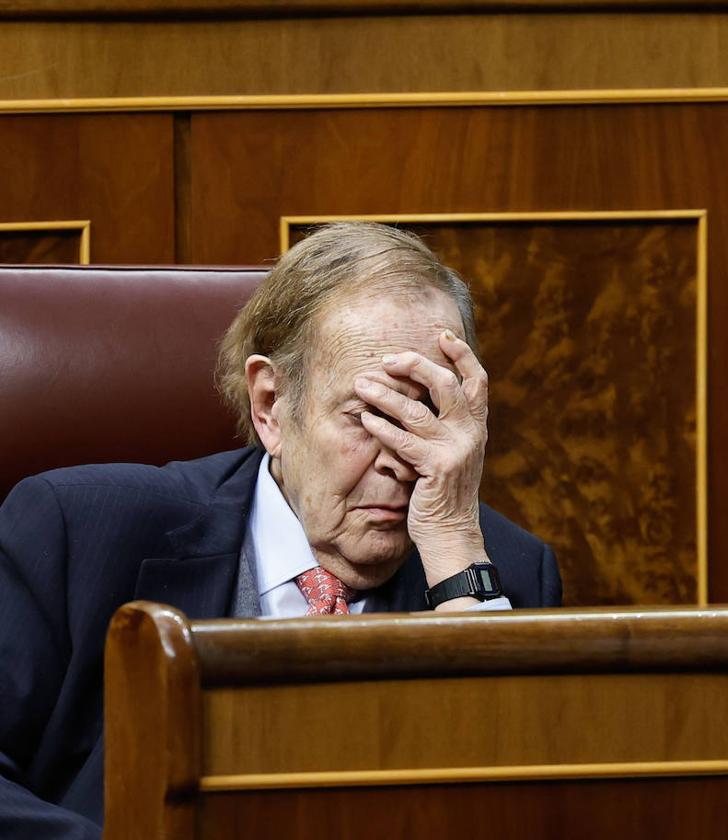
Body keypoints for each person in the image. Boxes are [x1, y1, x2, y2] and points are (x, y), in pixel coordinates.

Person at [0, 223, 562, 838]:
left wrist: (456, 552)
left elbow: (520, 808)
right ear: (271, 404)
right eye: (372, 416)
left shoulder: (502, 575)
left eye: (428, 413)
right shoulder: (80, 533)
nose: (404, 458)